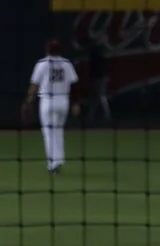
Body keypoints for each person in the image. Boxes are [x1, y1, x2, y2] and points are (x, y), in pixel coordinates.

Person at [24, 38, 79, 174]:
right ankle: (58, 160)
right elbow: (75, 85)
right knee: (58, 131)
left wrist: (29, 100)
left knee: (49, 132)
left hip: (48, 101)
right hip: (63, 101)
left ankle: (53, 164)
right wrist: (75, 103)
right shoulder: (66, 63)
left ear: (47, 49)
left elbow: (34, 85)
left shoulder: (42, 63)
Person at [85, 42, 111, 123]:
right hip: (98, 78)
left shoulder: (97, 56)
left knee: (100, 96)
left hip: (99, 78)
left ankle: (107, 115)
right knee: (96, 98)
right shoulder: (100, 56)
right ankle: (91, 115)